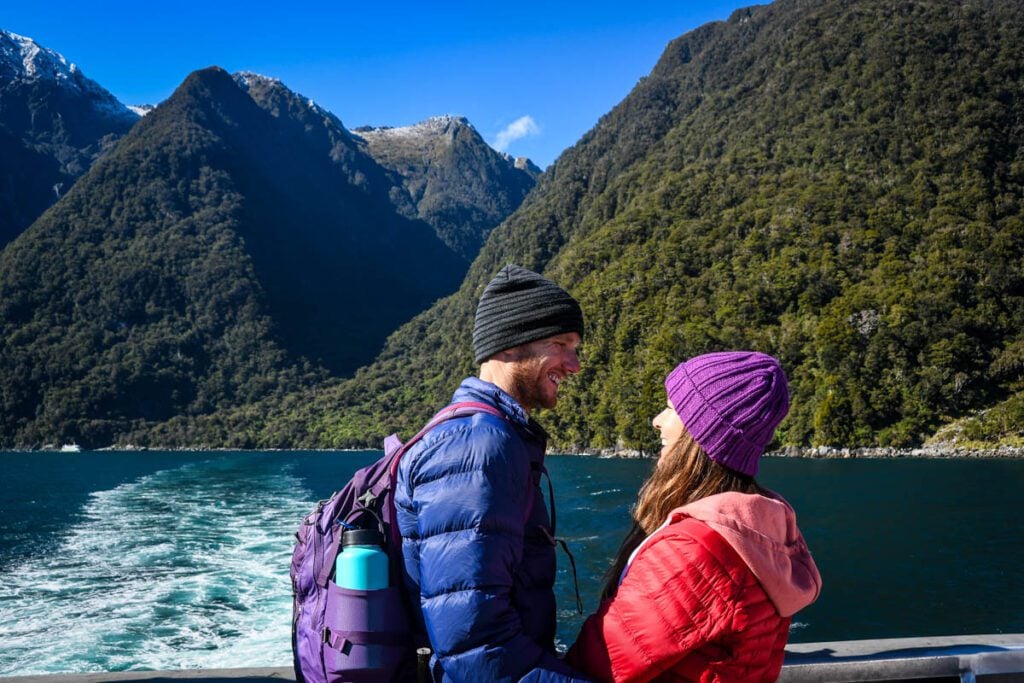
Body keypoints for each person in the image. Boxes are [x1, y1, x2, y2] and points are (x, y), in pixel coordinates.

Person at [566, 351, 822, 682]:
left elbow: (601, 664)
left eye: (672, 409)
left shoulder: (696, 550)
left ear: (701, 436)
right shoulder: (757, 532)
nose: (657, 419)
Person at [395, 264, 590, 682]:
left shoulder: (487, 435)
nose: (573, 364)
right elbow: (477, 651)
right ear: (509, 345)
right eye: (560, 344)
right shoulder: (477, 447)